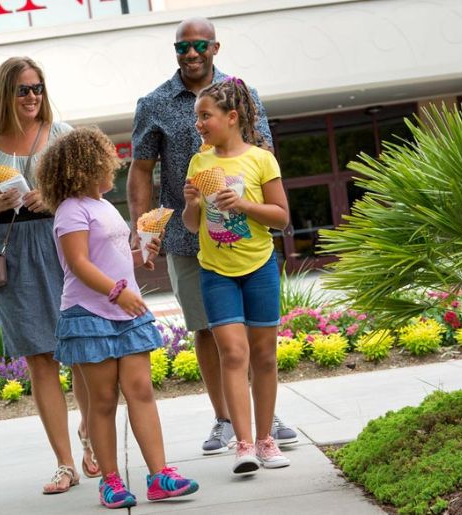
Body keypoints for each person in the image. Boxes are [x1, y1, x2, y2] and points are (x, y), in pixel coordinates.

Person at [128, 17, 298, 456]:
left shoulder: (243, 93)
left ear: (214, 48)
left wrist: (253, 210)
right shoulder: (154, 103)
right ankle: (225, 419)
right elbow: (141, 171)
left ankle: (264, 419)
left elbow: (264, 160)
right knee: (207, 330)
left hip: (249, 236)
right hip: (189, 238)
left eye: (198, 45)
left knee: (257, 341)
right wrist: (144, 230)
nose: (190, 53)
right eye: (181, 47)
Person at [36, 127, 199, 509]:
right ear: (86, 167)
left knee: (141, 390)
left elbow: (112, 254)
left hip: (125, 312)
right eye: (107, 165)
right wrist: (116, 291)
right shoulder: (69, 211)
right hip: (89, 314)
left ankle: (159, 475)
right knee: (104, 401)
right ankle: (109, 481)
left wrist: (141, 251)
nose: (115, 169)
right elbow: (78, 263)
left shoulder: (104, 206)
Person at [0, 56, 100, 494]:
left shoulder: (63, 134)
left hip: (64, 245)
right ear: (6, 93)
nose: (33, 96)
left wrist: (53, 198)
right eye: (23, 89)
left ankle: (91, 438)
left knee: (77, 348)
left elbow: (91, 194)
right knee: (41, 358)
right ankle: (64, 464)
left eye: (38, 87)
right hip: (14, 252)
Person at [181, 76, 291, 475]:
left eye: (205, 116)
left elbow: (281, 217)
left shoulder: (262, 159)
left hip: (259, 266)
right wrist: (192, 204)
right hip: (216, 272)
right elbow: (192, 226)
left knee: (264, 356)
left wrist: (243, 205)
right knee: (232, 352)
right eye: (197, 117)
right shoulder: (199, 162)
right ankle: (243, 444)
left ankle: (266, 439)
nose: (199, 124)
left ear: (231, 117)